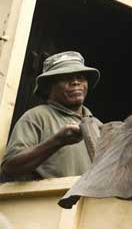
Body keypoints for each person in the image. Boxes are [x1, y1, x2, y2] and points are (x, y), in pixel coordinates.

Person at [1, 51, 102, 181]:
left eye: (81, 77)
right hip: (50, 200)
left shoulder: (97, 124)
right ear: (48, 88)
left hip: (90, 201)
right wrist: (58, 141)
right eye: (66, 78)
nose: (76, 82)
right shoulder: (36, 116)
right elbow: (10, 169)